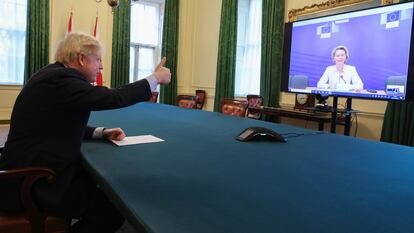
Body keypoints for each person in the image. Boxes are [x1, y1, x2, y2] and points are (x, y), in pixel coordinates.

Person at [0, 32, 171, 233]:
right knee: (111, 211)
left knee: (101, 187)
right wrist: (155, 79)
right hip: (32, 182)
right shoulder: (61, 80)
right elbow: (112, 97)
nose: (102, 66)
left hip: (33, 169)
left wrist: (101, 132)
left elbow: (57, 124)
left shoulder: (53, 74)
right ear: (81, 58)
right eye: (98, 59)